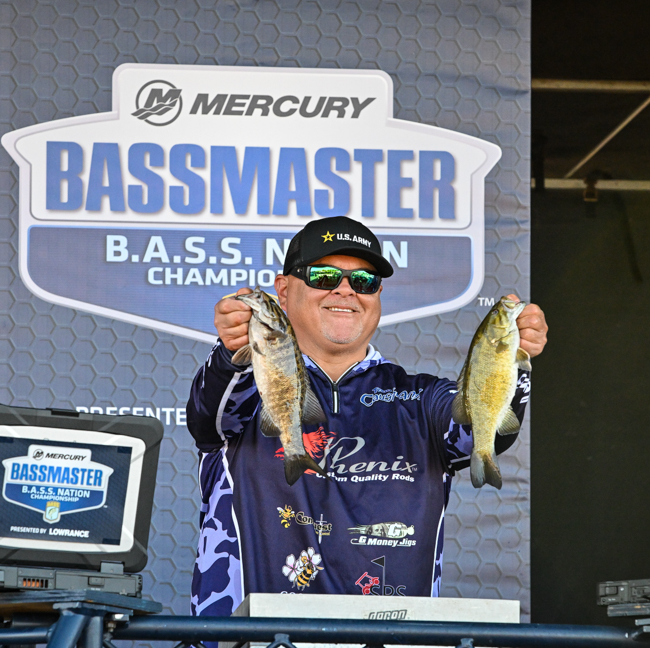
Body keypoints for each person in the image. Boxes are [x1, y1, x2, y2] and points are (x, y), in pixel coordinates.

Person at [186, 216, 548, 616]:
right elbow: (207, 414)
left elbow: (483, 435)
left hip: (389, 638)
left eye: (364, 281)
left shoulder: (423, 399)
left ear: (377, 296)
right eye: (324, 276)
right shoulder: (242, 386)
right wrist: (232, 350)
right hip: (252, 638)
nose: (345, 290)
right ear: (284, 291)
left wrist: (512, 360)